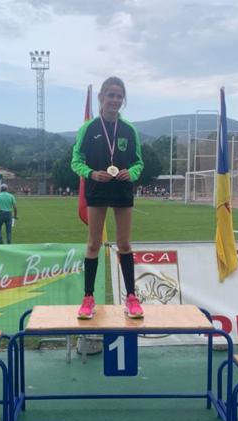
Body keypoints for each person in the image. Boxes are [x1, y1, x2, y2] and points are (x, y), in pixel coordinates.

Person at [71, 76, 144, 319]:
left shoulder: (129, 130)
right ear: (101, 97)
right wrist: (91, 173)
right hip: (98, 189)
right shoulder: (89, 128)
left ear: (123, 100)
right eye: (110, 95)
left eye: (119, 96)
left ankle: (131, 298)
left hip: (122, 189)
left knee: (124, 243)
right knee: (93, 243)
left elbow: (138, 162)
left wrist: (131, 173)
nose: (114, 100)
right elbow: (76, 161)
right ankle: (88, 298)